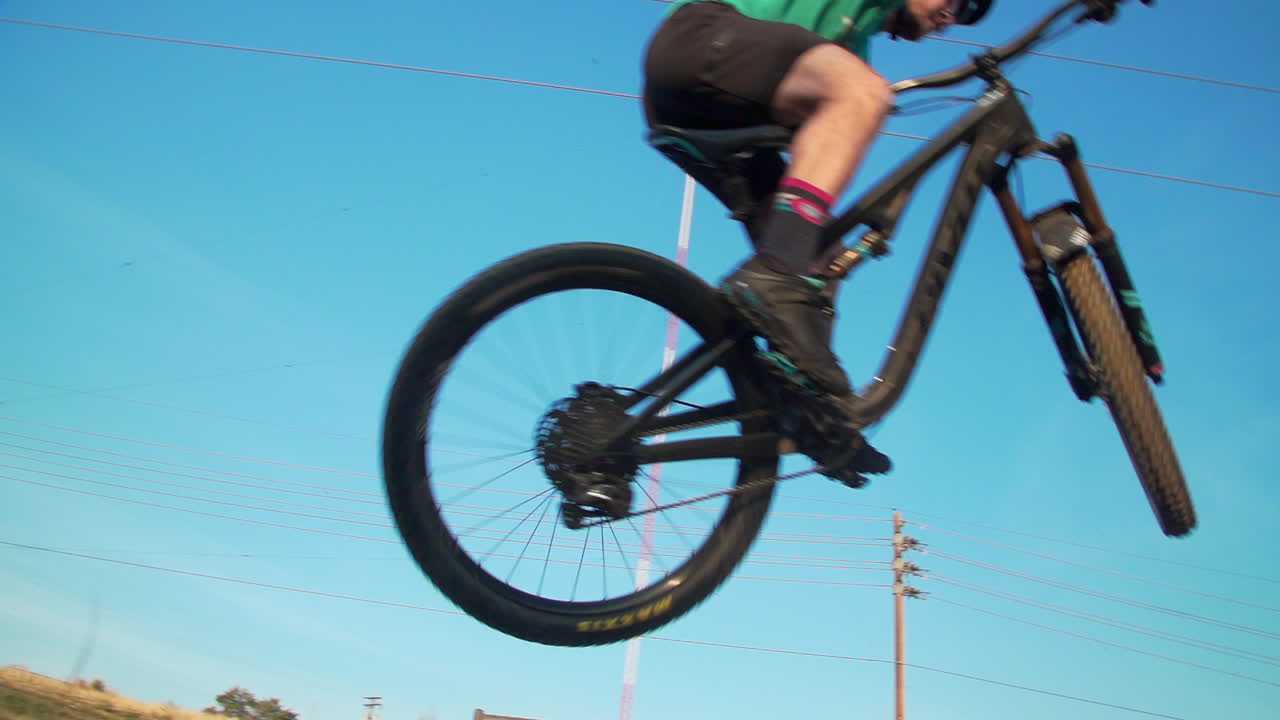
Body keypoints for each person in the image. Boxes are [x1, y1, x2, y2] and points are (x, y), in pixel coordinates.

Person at [642, 0, 992, 477]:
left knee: (817, 261)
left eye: (966, 15)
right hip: (700, 42)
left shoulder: (853, 40)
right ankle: (775, 277)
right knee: (863, 94)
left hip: (702, 103)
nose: (953, 15)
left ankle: (804, 405)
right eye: (957, 1)